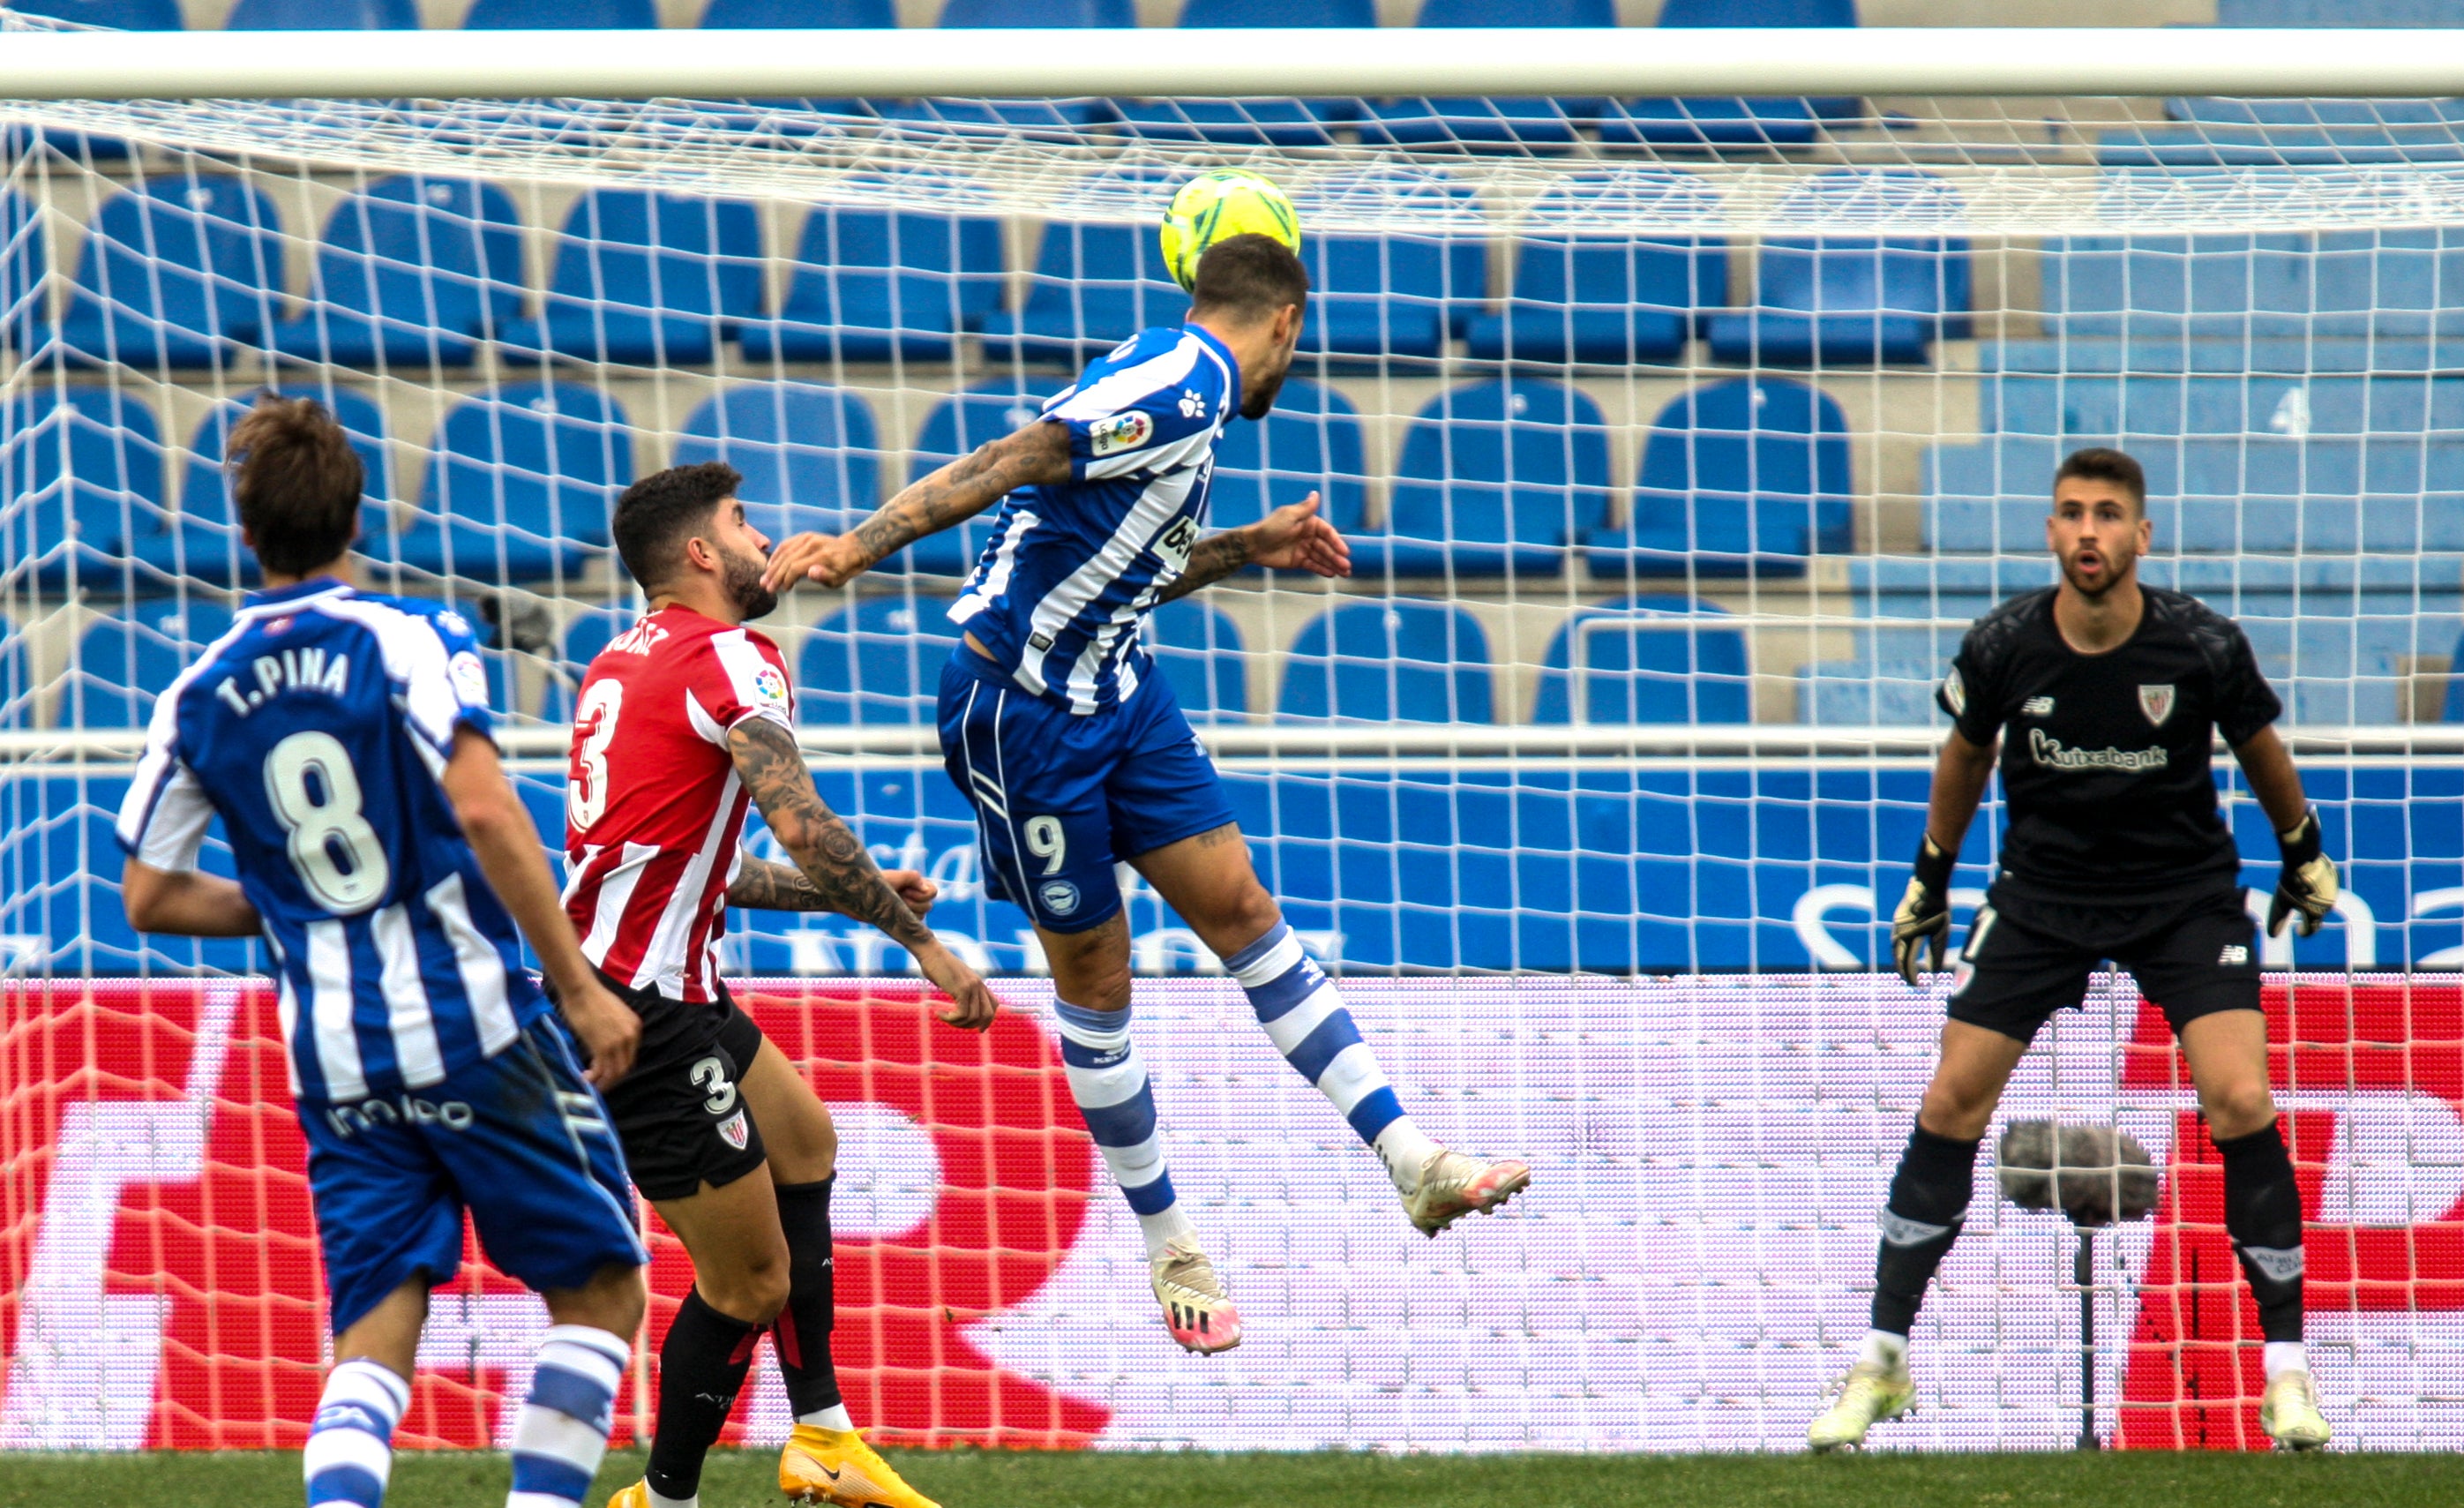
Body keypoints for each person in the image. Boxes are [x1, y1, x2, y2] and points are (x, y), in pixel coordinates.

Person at [760, 233, 1531, 1357]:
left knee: (1244, 913)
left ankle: (1411, 1161)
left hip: (1119, 687)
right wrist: (860, 547)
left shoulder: (1182, 386)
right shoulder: (1181, 385)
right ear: (1284, 321)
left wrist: (1246, 543)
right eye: (1297, 345)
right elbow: (1011, 456)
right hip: (1020, 714)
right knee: (1099, 976)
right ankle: (1170, 1243)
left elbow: (1122, 563)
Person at [116, 394, 652, 1508]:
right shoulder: (409, 636)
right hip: (474, 1028)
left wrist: (298, 902)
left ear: (246, 530)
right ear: (358, 517)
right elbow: (490, 814)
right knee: (602, 1292)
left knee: (372, 1329)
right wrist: (579, 988)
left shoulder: (196, 690)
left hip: (336, 1056)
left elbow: (150, 893)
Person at [1807, 447, 2340, 1453]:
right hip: (2043, 898)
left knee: (2238, 1100)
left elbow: (2258, 744)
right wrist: (1929, 874)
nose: (2086, 531)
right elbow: (1963, 755)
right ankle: (1880, 1359)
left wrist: (2301, 847)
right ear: (2049, 533)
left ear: (2140, 536)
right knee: (1948, 1100)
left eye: (2105, 515)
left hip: (2180, 898)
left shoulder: (2199, 644)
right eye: (2068, 514)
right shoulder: (2004, 643)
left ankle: (2285, 1375)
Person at [566, 462, 1000, 1508]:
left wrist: (850, 900)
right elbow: (798, 820)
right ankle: (662, 1498)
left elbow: (691, 866)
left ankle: (822, 1437)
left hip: (657, 980)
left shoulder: (622, 660)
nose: (764, 537)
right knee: (747, 1281)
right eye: (741, 521)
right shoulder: (733, 658)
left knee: (806, 1140)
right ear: (704, 554)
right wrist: (920, 943)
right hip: (646, 1014)